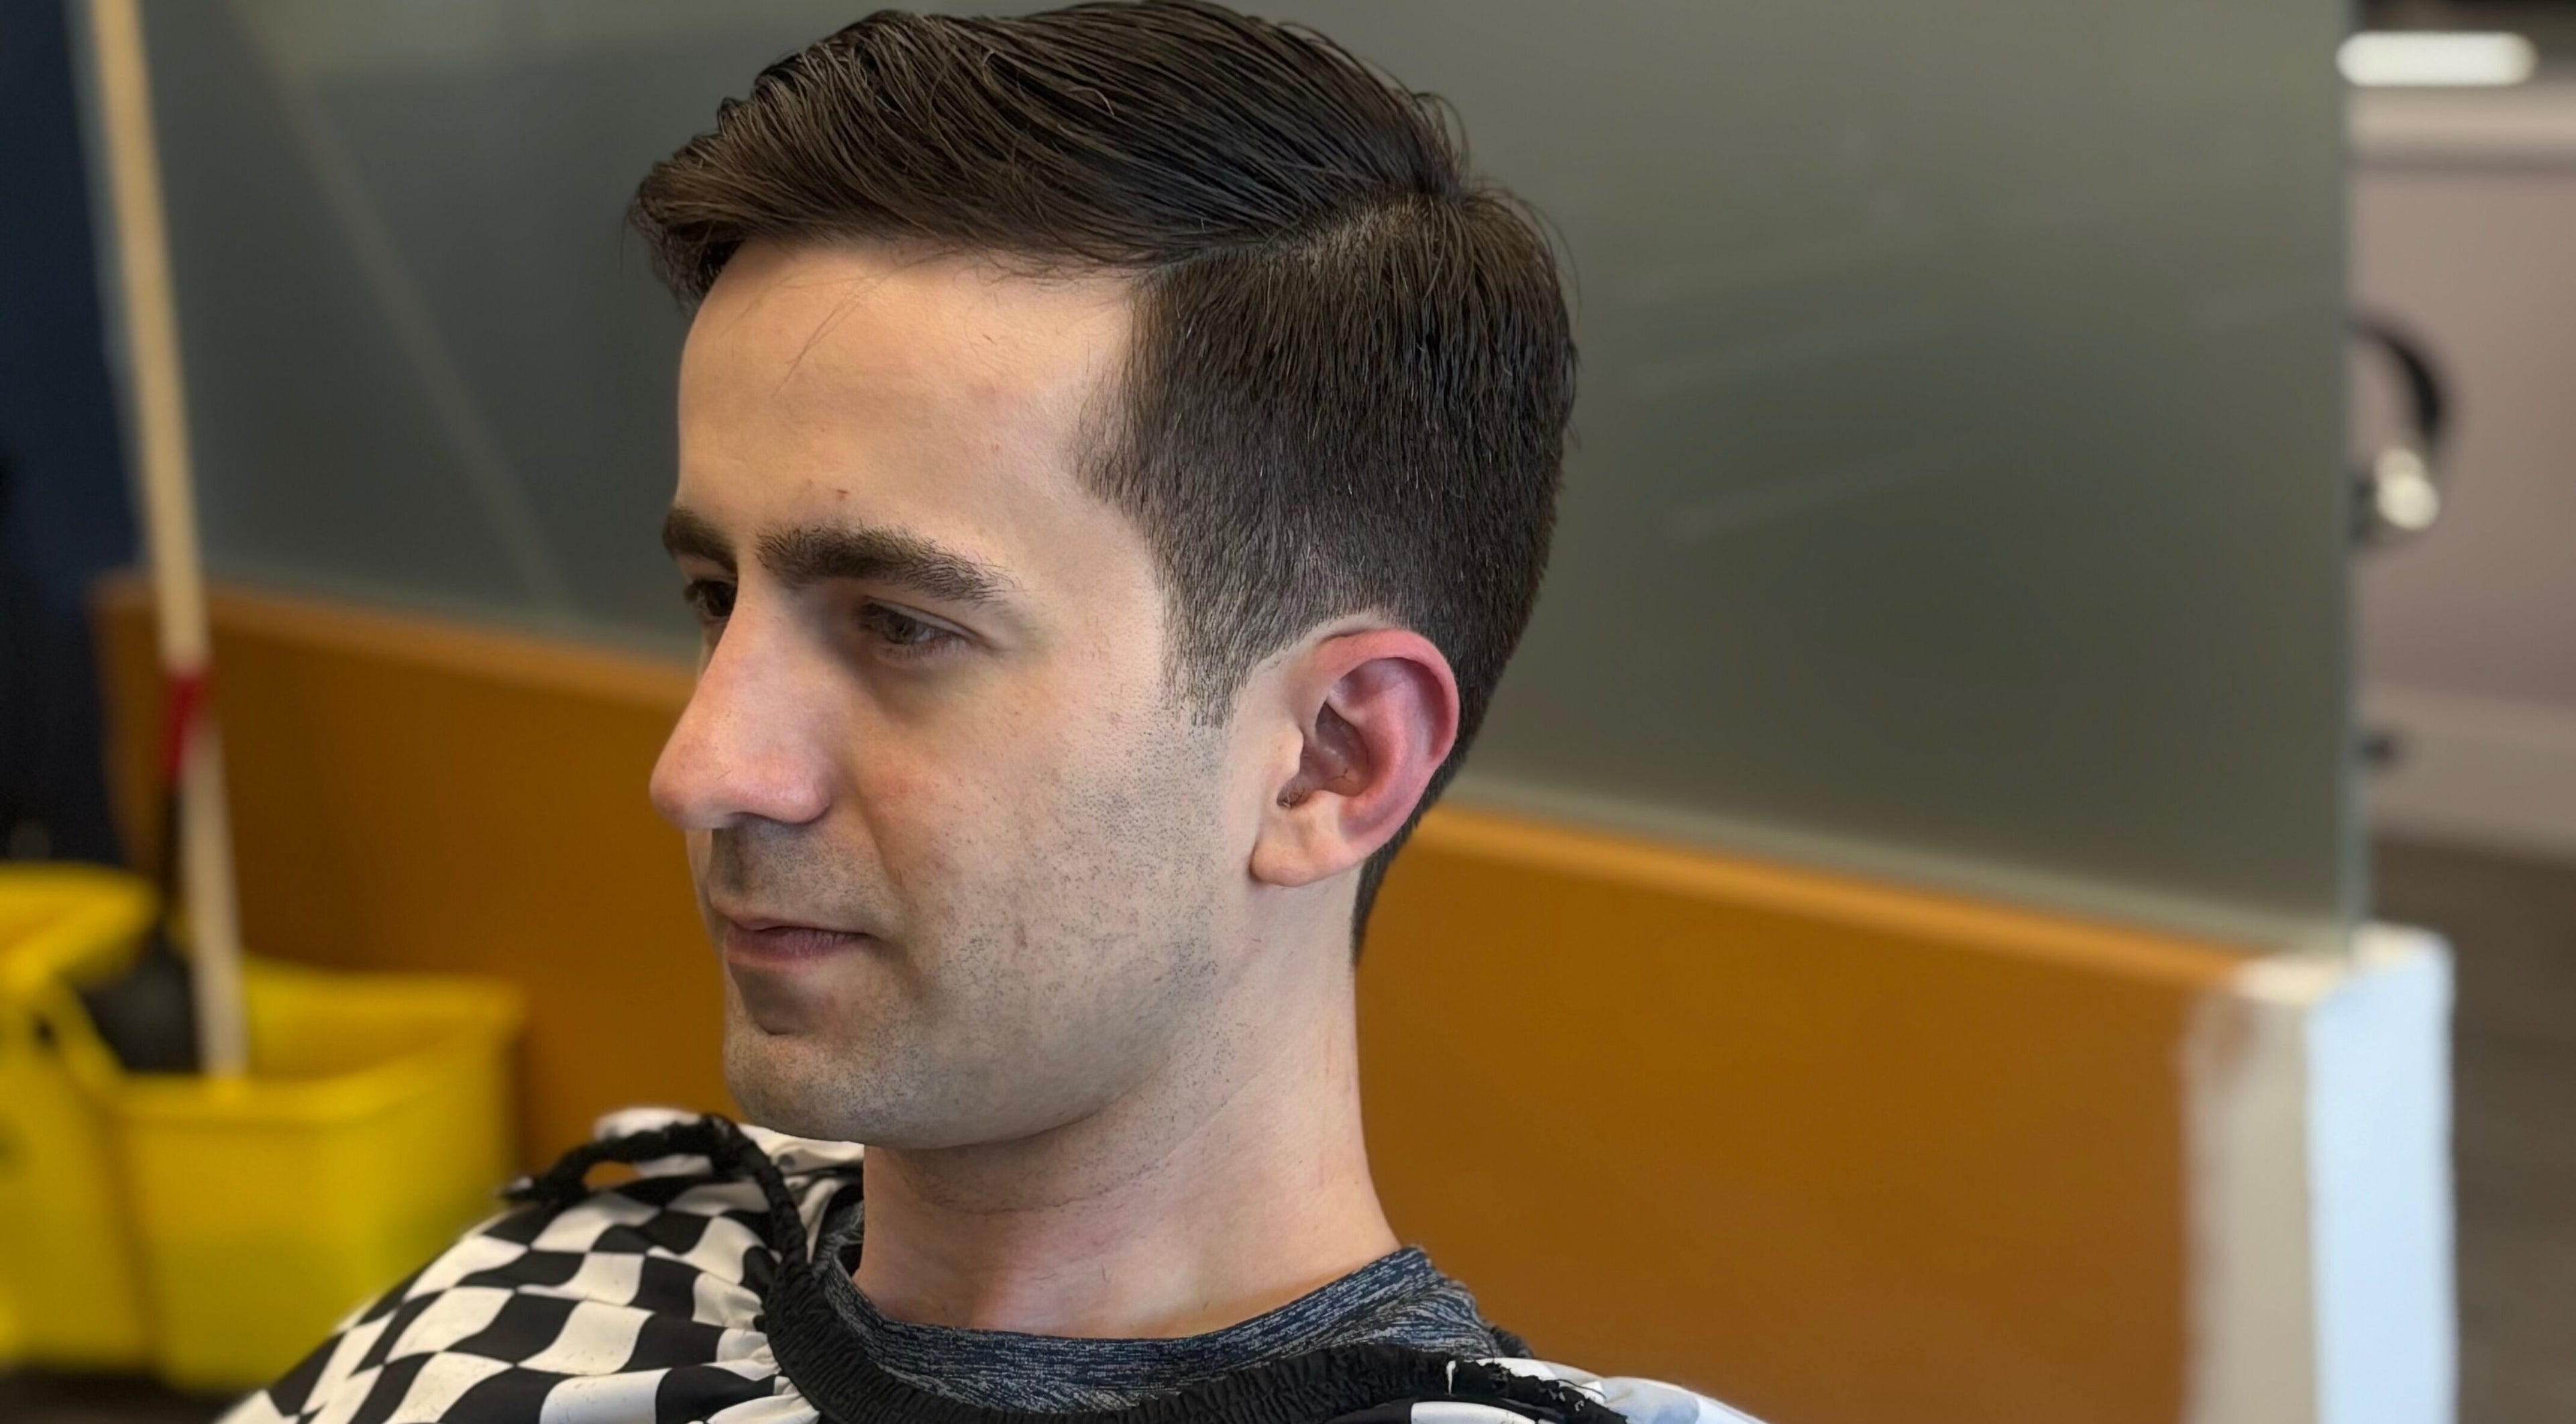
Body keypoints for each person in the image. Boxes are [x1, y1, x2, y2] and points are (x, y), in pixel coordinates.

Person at [223, 5, 1760, 1422]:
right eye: (714, 596)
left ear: (1332, 759)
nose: (702, 769)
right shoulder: (571, 1260)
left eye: (903, 626)